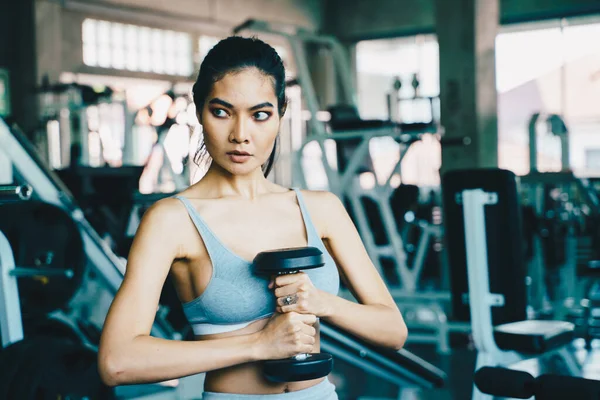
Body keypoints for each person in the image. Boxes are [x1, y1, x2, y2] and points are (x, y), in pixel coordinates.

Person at [98, 36, 408, 399]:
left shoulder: (322, 209)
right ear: (199, 112)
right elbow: (117, 362)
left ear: (280, 114)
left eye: (260, 115)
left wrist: (321, 303)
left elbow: (393, 330)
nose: (240, 135)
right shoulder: (172, 220)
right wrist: (259, 345)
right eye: (221, 112)